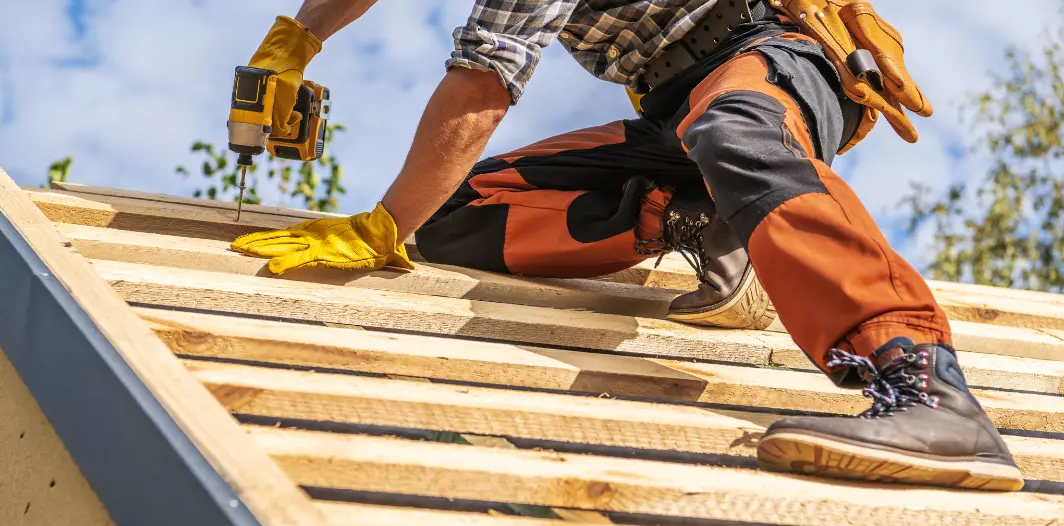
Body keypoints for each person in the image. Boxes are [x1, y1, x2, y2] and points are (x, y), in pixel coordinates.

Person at [230, 0, 1025, 492]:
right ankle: (702, 219)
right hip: (674, 109)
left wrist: (379, 228)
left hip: (772, 59)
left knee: (736, 130)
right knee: (459, 213)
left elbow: (485, 83)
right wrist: (298, 38)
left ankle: (925, 386)